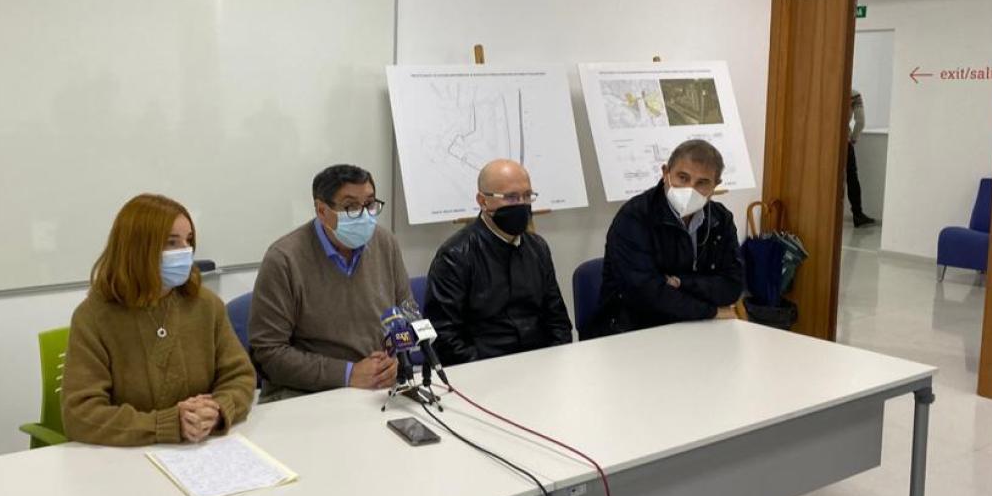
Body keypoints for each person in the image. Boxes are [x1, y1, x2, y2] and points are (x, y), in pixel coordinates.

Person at [61, 194, 255, 445]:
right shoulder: (94, 317)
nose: (184, 252)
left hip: (204, 451)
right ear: (138, 248)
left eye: (188, 241)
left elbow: (240, 377)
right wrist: (167, 424)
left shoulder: (206, 305)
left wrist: (217, 410)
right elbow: (80, 414)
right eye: (171, 243)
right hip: (123, 458)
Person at [249, 164, 412, 402]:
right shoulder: (284, 259)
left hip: (379, 388)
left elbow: (407, 312)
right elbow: (268, 354)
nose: (364, 215)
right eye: (351, 207)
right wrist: (348, 374)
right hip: (306, 395)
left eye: (370, 204)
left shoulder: (385, 243)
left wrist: (396, 360)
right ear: (322, 211)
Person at [589, 139, 744, 337]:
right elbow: (646, 295)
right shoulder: (634, 217)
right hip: (633, 330)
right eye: (683, 178)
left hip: (696, 328)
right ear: (665, 173)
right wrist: (711, 311)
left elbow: (732, 286)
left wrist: (680, 283)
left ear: (716, 185)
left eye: (702, 183)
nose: (690, 189)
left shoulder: (720, 219)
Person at [423, 159, 573, 365]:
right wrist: (490, 371)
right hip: (484, 369)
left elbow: (558, 321)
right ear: (483, 201)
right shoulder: (455, 256)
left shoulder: (537, 248)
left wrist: (557, 360)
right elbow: (446, 338)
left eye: (527, 196)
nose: (521, 204)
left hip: (540, 365)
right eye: (511, 197)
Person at [846, 89, 877, 228]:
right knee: (851, 177)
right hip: (843, 141)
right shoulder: (853, 94)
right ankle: (858, 215)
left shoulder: (824, 90)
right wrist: (853, 138)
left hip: (823, 141)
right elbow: (861, 121)